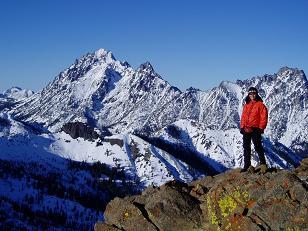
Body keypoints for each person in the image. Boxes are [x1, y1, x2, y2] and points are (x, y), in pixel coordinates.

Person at [240, 87, 268, 173]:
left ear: (257, 94)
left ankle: (263, 164)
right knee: (246, 147)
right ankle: (247, 166)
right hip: (246, 128)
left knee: (258, 147)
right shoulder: (246, 105)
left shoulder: (260, 105)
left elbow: (264, 117)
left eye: (254, 93)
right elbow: (243, 117)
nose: (252, 95)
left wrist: (261, 128)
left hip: (256, 129)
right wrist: (242, 127)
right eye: (250, 94)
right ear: (248, 95)